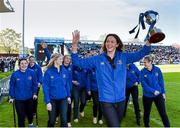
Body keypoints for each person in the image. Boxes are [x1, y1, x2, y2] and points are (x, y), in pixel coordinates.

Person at [71, 30, 151, 127]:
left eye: (112, 42)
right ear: (105, 44)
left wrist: (149, 41)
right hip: (106, 100)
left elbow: (141, 53)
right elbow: (77, 62)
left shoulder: (123, 57)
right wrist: (74, 45)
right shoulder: (98, 59)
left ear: (117, 44)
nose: (109, 43)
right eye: (107, 41)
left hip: (121, 100)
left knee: (114, 125)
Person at [140, 55, 170, 127]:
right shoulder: (142, 71)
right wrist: (153, 91)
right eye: (144, 62)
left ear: (150, 62)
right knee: (147, 113)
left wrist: (163, 93)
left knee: (163, 113)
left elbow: (161, 81)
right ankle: (146, 126)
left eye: (145, 62)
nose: (144, 64)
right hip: (147, 96)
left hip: (158, 95)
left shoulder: (157, 69)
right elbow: (144, 85)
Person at [42, 53, 71, 127]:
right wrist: (47, 102)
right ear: (55, 60)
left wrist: (68, 96)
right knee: (52, 120)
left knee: (64, 120)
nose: (62, 60)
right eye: (60, 59)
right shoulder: (48, 72)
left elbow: (67, 84)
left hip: (63, 99)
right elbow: (45, 88)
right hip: (52, 100)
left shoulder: (64, 70)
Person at [9, 58, 38, 127]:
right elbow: (12, 86)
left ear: (27, 64)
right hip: (19, 99)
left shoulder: (32, 72)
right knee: (20, 115)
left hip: (29, 97)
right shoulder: (15, 74)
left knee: (30, 114)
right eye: (22, 63)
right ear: (19, 65)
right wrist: (12, 97)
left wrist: (34, 93)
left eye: (25, 63)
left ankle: (30, 123)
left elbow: (35, 84)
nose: (24, 65)